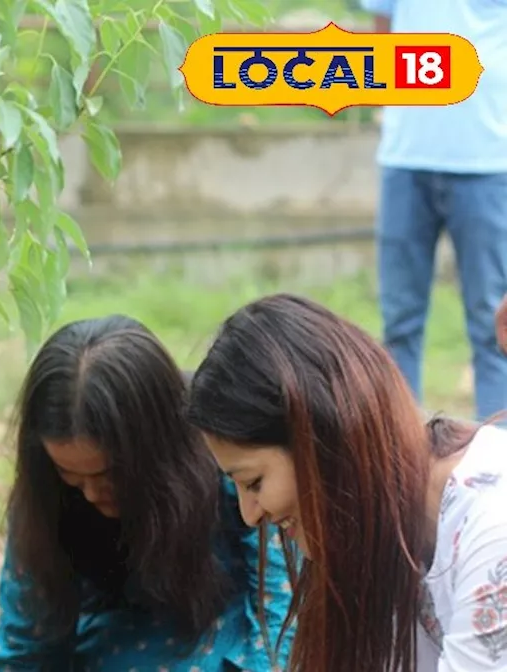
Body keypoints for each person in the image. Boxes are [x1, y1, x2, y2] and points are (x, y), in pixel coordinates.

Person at [185, 293, 507, 671]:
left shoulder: (492, 528)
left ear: (323, 441)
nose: (249, 514)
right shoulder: (379, 532)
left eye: (253, 482)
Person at [0, 316, 295, 671]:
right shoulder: (45, 497)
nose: (90, 494)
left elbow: (282, 612)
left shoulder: (225, 451)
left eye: (110, 475)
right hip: (120, 642)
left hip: (233, 635)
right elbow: (27, 641)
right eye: (69, 475)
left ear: (160, 451)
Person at [360, 0, 507, 422]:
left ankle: (498, 454)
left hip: (488, 160)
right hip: (406, 156)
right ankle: (403, 444)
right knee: (400, 320)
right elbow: (380, 30)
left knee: (493, 322)